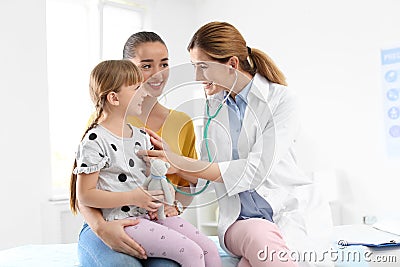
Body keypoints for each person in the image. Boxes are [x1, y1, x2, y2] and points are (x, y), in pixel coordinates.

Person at [139, 22, 331, 267]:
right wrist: (171, 168)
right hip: (240, 222)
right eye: (194, 68)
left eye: (203, 67)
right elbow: (206, 173)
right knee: (259, 235)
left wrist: (181, 162)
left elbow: (255, 171)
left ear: (231, 64)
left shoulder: (282, 101)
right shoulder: (212, 106)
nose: (197, 77)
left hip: (289, 215)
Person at [70, 59, 221, 267]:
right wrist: (133, 197)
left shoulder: (141, 136)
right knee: (192, 253)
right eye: (136, 88)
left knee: (209, 249)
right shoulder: (95, 140)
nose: (144, 92)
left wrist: (164, 193)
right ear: (114, 98)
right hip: (124, 221)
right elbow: (85, 195)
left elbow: (152, 178)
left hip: (151, 216)